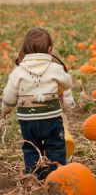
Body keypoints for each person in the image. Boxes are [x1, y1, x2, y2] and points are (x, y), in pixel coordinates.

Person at [1, 27, 75, 180]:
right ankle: (57, 177)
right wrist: (60, 85)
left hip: (28, 121)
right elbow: (67, 83)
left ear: (24, 50)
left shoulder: (18, 72)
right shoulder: (55, 68)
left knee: (30, 148)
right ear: (50, 49)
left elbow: (9, 94)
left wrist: (6, 109)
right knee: (55, 146)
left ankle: (34, 179)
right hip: (51, 119)